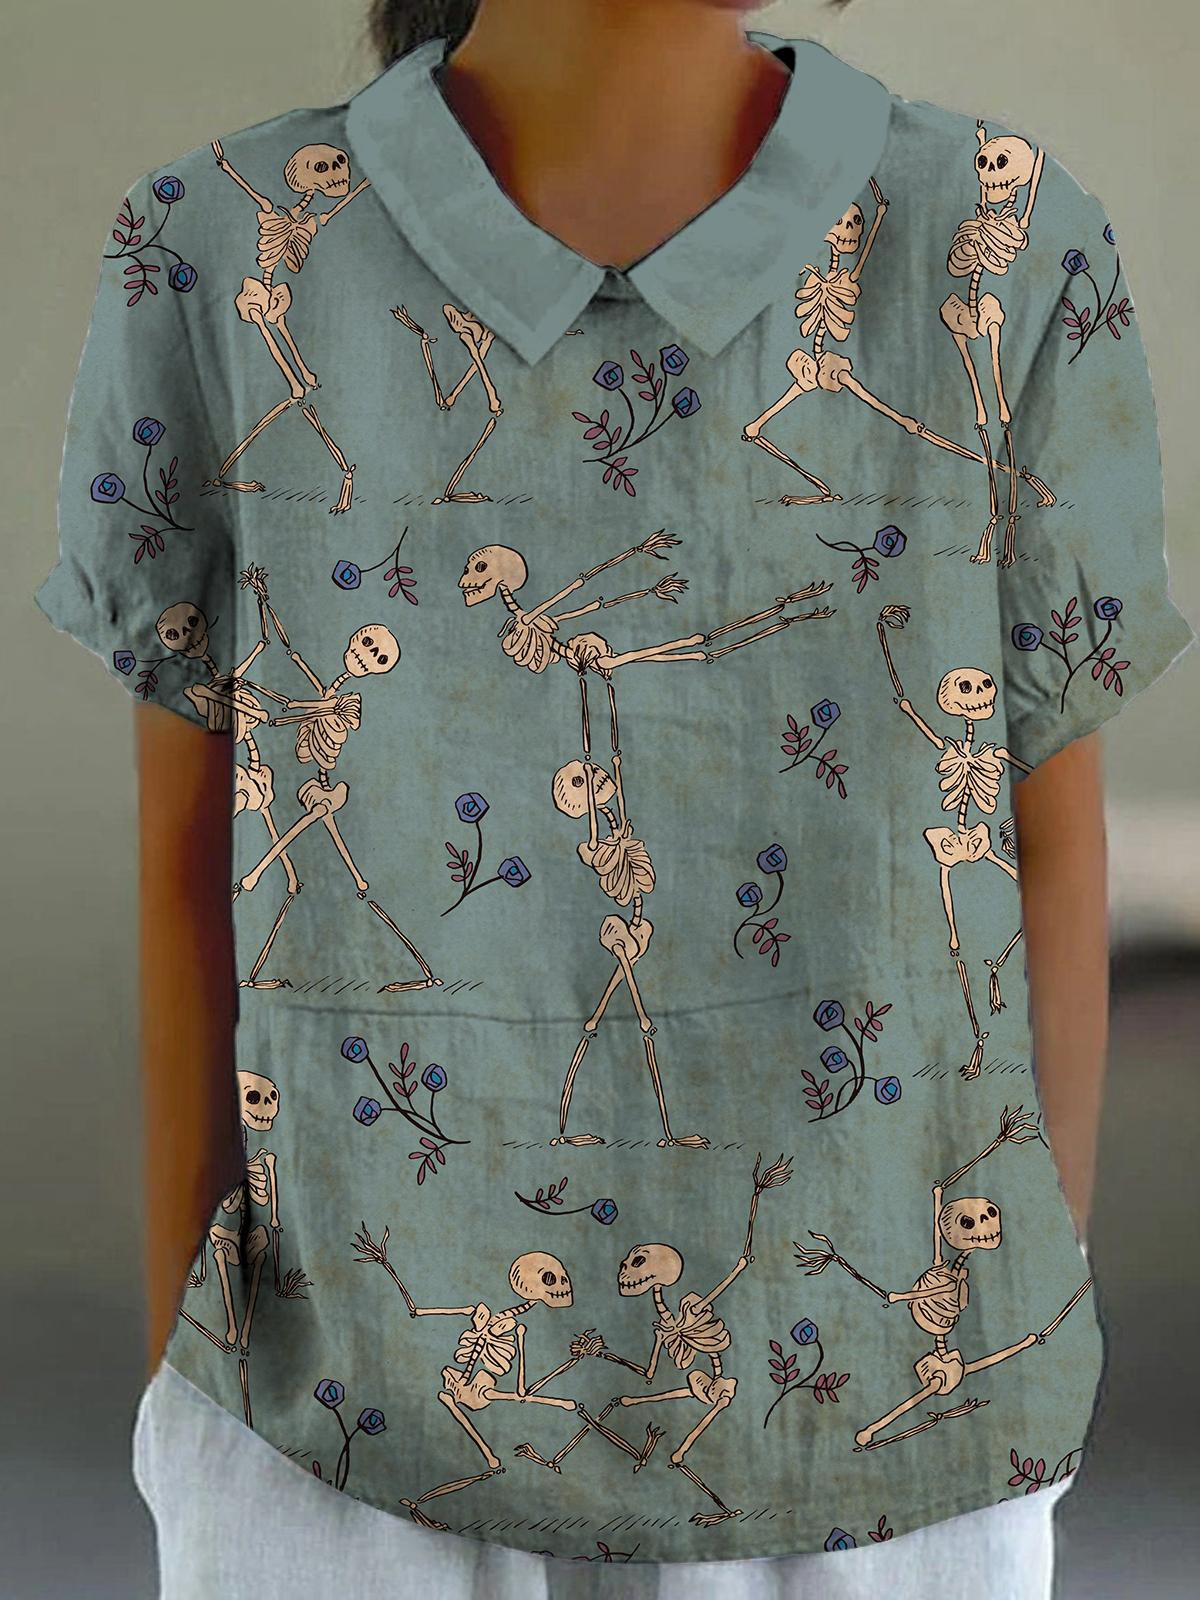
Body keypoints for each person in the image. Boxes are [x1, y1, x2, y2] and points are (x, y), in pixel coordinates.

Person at [36, 1, 1193, 1595]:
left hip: (896, 1460)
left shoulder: (1004, 242)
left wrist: (1004, 1347)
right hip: (333, 1448)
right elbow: (188, 856)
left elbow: (1048, 840)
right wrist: (205, 1406)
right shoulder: (213, 247)